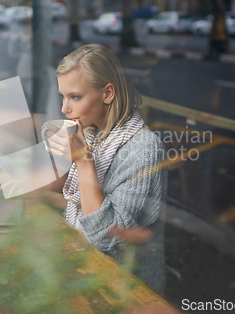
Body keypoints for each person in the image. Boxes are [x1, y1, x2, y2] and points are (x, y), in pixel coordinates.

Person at [43, 43, 167, 294]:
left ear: (107, 93)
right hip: (90, 273)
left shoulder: (143, 148)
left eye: (75, 97)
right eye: (63, 96)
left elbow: (108, 238)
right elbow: (77, 202)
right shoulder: (92, 133)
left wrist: (83, 160)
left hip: (128, 291)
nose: (64, 108)